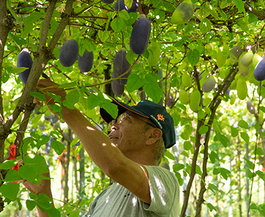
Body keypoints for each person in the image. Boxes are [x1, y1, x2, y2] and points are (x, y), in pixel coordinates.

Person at [23, 79, 180, 216]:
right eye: (114, 121)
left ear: (153, 136)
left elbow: (115, 166)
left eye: (125, 119)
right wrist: (43, 194)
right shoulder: (106, 196)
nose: (113, 127)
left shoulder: (165, 181)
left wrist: (66, 109)